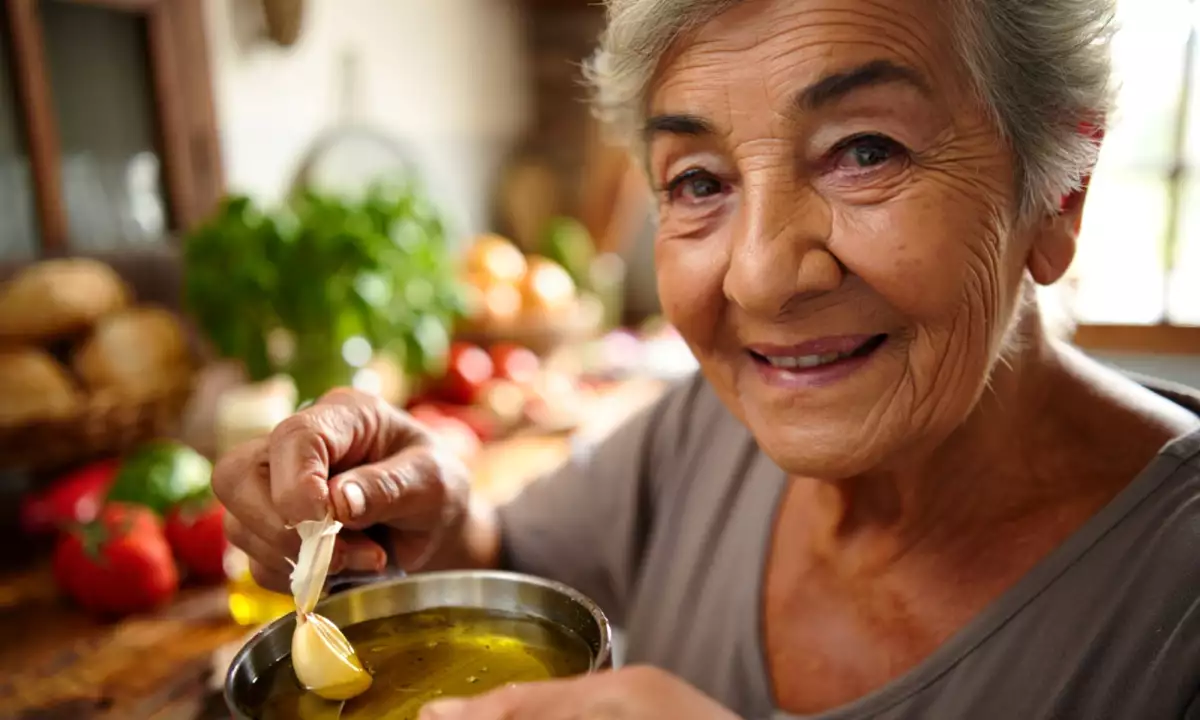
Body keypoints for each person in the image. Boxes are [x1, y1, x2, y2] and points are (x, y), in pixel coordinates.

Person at [213, 0, 1200, 717]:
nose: (763, 279)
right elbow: (511, 573)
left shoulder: (1172, 606)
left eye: (865, 150)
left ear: (1060, 190)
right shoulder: (707, 429)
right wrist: (427, 520)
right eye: (697, 179)